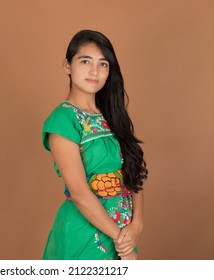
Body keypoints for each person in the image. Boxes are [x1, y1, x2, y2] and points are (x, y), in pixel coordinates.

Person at [41, 30, 148, 260]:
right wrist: (121, 239)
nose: (94, 71)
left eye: (103, 64)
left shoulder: (115, 114)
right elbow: (79, 193)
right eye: (85, 61)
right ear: (67, 66)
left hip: (123, 235)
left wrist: (137, 223)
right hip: (84, 237)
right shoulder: (63, 120)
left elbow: (133, 170)